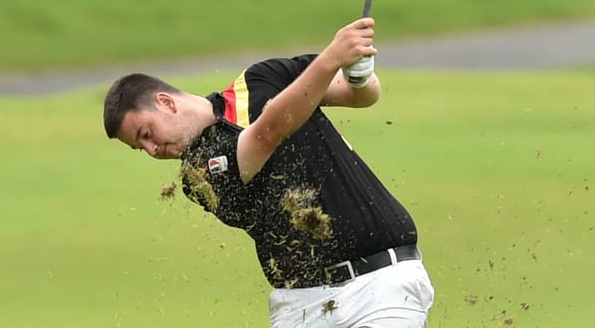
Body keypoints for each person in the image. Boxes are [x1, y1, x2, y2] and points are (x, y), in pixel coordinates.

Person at [102, 17, 434, 327]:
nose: (152, 150)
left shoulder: (260, 80)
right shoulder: (198, 174)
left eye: (146, 134)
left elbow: (359, 95)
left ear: (166, 102)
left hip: (382, 286)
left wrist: (358, 73)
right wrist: (332, 57)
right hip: (300, 307)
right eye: (139, 148)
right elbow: (268, 132)